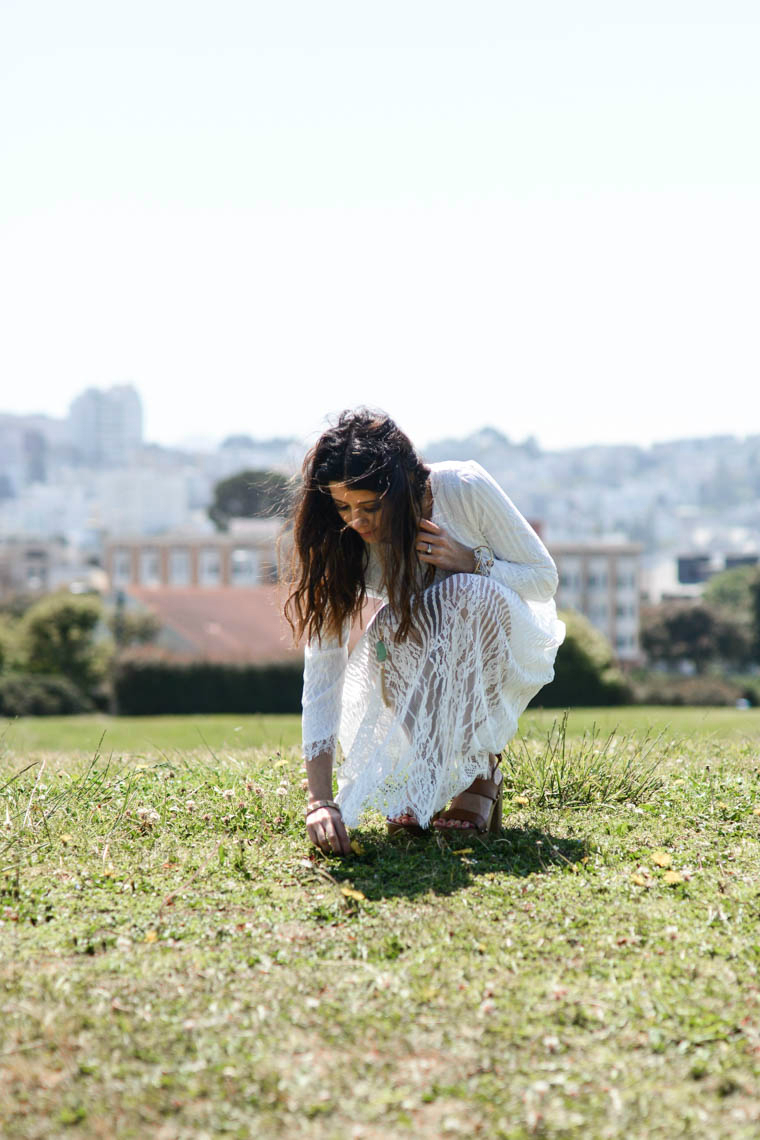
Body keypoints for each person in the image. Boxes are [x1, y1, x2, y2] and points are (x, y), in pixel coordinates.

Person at [285, 409, 565, 855]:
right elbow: (323, 670)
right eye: (343, 507)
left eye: (370, 506)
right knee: (391, 629)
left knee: (463, 594)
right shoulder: (340, 543)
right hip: (420, 646)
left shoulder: (462, 486)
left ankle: (480, 775)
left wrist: (473, 562)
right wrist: (320, 801)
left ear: (401, 489)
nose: (356, 521)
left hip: (507, 632)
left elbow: (543, 578)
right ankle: (430, 772)